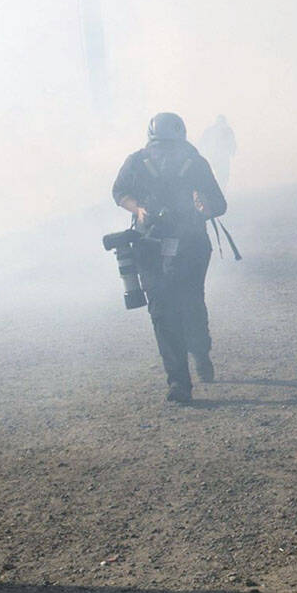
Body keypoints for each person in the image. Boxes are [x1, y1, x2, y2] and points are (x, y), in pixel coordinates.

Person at [112, 112, 227, 404]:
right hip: (152, 246)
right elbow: (120, 193)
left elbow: (218, 204)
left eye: (168, 148)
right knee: (165, 311)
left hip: (189, 245)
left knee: (183, 306)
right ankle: (179, 381)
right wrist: (138, 209)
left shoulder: (195, 163)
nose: (163, 155)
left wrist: (204, 207)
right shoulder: (137, 162)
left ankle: (198, 355)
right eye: (159, 148)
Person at [198, 115, 237, 189]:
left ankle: (216, 189)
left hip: (214, 156)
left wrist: (202, 153)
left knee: (219, 175)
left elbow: (202, 142)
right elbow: (232, 142)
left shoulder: (210, 130)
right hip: (219, 157)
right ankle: (218, 189)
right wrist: (232, 151)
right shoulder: (227, 130)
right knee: (223, 176)